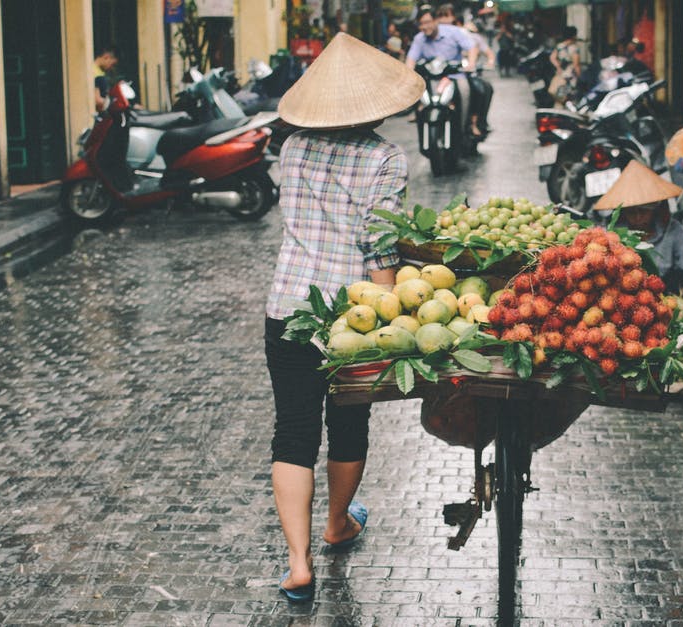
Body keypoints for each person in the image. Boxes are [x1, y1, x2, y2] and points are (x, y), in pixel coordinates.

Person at [267, 33, 423, 603]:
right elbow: (379, 246)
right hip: (350, 315)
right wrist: (391, 321)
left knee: (294, 430)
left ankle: (298, 564)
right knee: (349, 423)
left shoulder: (291, 148)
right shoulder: (384, 157)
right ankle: (337, 524)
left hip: (287, 307)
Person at [597, 161, 683, 305]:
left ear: (655, 209)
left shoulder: (672, 230)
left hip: (664, 293)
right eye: (632, 212)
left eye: (644, 211)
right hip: (624, 298)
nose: (638, 217)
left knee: (679, 277)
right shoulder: (613, 234)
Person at [407, 6, 481, 136]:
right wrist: (408, 74)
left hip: (454, 76)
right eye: (421, 24)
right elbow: (411, 60)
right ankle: (419, 116)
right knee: (414, 90)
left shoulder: (454, 32)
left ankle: (465, 125)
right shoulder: (419, 38)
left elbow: (472, 47)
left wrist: (471, 63)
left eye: (427, 22)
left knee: (466, 90)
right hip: (430, 78)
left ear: (436, 21)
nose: (424, 27)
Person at [549, 26, 582, 105]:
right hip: (569, 77)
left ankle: (559, 109)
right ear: (573, 36)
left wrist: (558, 67)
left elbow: (552, 58)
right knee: (567, 97)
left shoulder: (560, 46)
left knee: (559, 96)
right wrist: (580, 76)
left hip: (560, 74)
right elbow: (576, 64)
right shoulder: (574, 48)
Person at [93, 45, 119, 112]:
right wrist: (116, 104)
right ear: (106, 57)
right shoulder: (94, 73)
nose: (111, 67)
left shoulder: (100, 72)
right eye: (112, 64)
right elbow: (97, 99)